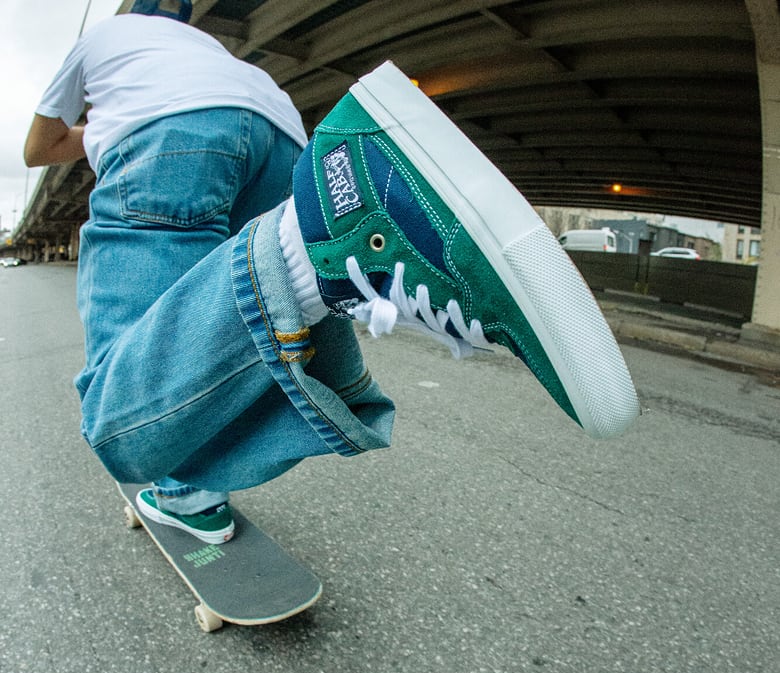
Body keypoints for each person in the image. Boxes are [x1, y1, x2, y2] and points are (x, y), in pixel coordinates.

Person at [25, 1, 640, 546]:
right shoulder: (209, 48)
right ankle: (338, 248)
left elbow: (39, 148)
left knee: (120, 417)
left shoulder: (97, 43)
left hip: (168, 139)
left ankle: (318, 230)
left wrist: (97, 126)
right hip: (278, 132)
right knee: (204, 336)